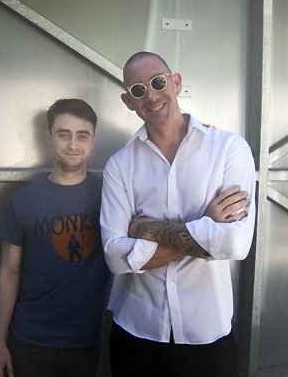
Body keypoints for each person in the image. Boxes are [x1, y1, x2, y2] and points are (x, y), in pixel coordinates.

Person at [100, 51, 256, 377]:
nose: (152, 96)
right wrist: (206, 225)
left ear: (176, 83)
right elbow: (115, 257)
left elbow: (236, 245)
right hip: (136, 332)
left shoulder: (229, 149)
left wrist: (146, 230)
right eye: (139, 90)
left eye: (158, 82)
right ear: (128, 101)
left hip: (207, 335)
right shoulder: (120, 165)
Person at [0, 98, 110, 377]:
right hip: (29, 341)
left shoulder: (112, 194)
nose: (73, 144)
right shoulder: (22, 201)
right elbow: (8, 272)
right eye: (63, 134)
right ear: (49, 138)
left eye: (82, 136)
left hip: (85, 342)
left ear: (93, 140)